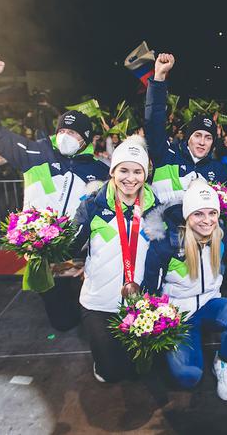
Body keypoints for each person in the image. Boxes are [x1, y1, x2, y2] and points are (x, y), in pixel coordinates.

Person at [0, 55, 109, 331]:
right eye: (64, 130)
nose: (68, 136)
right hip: (45, 258)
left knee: (91, 316)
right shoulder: (34, 152)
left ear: (87, 140)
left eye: (76, 133)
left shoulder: (99, 170)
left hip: (83, 258)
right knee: (64, 323)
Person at [142, 179, 227, 400]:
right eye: (199, 214)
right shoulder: (167, 244)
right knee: (188, 377)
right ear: (187, 215)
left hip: (210, 303)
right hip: (179, 313)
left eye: (212, 213)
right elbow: (150, 289)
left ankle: (222, 362)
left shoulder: (219, 235)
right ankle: (181, 347)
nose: (207, 220)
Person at [71, 136, 158, 382]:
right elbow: (71, 247)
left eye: (137, 171)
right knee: (111, 372)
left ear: (145, 174)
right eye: (124, 170)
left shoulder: (154, 208)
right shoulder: (93, 206)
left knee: (140, 369)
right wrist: (48, 241)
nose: (130, 178)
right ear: (112, 171)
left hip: (139, 304)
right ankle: (103, 362)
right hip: (100, 302)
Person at [144, 54, 227, 204]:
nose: (202, 142)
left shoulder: (219, 170)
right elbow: (153, 121)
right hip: (163, 227)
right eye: (197, 135)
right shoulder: (166, 155)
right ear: (188, 137)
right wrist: (159, 77)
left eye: (208, 138)